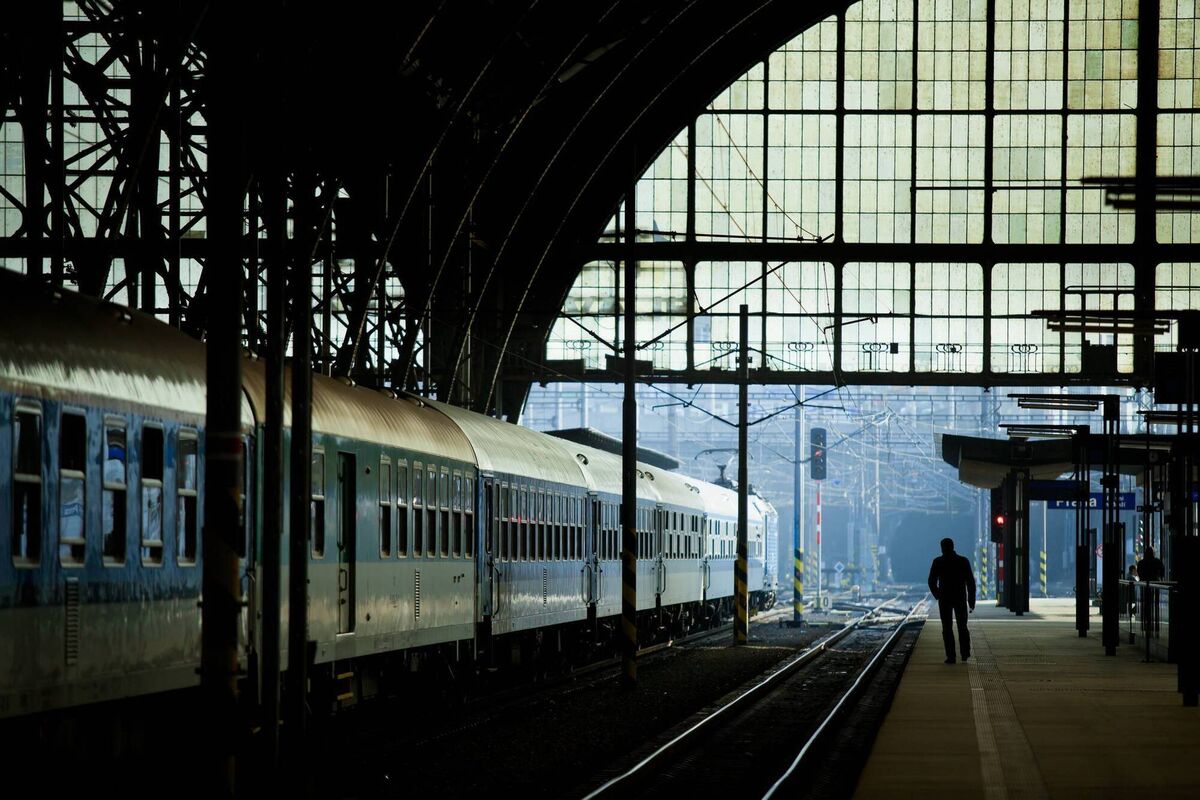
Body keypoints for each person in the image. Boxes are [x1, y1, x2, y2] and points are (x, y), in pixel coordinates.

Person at [928, 537, 976, 664]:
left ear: (942, 548)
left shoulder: (938, 562)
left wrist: (938, 594)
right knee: (962, 626)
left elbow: (931, 581)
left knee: (947, 628)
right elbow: (970, 582)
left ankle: (951, 657)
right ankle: (965, 653)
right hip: (960, 597)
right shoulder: (963, 561)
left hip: (945, 599)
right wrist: (971, 600)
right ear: (953, 546)